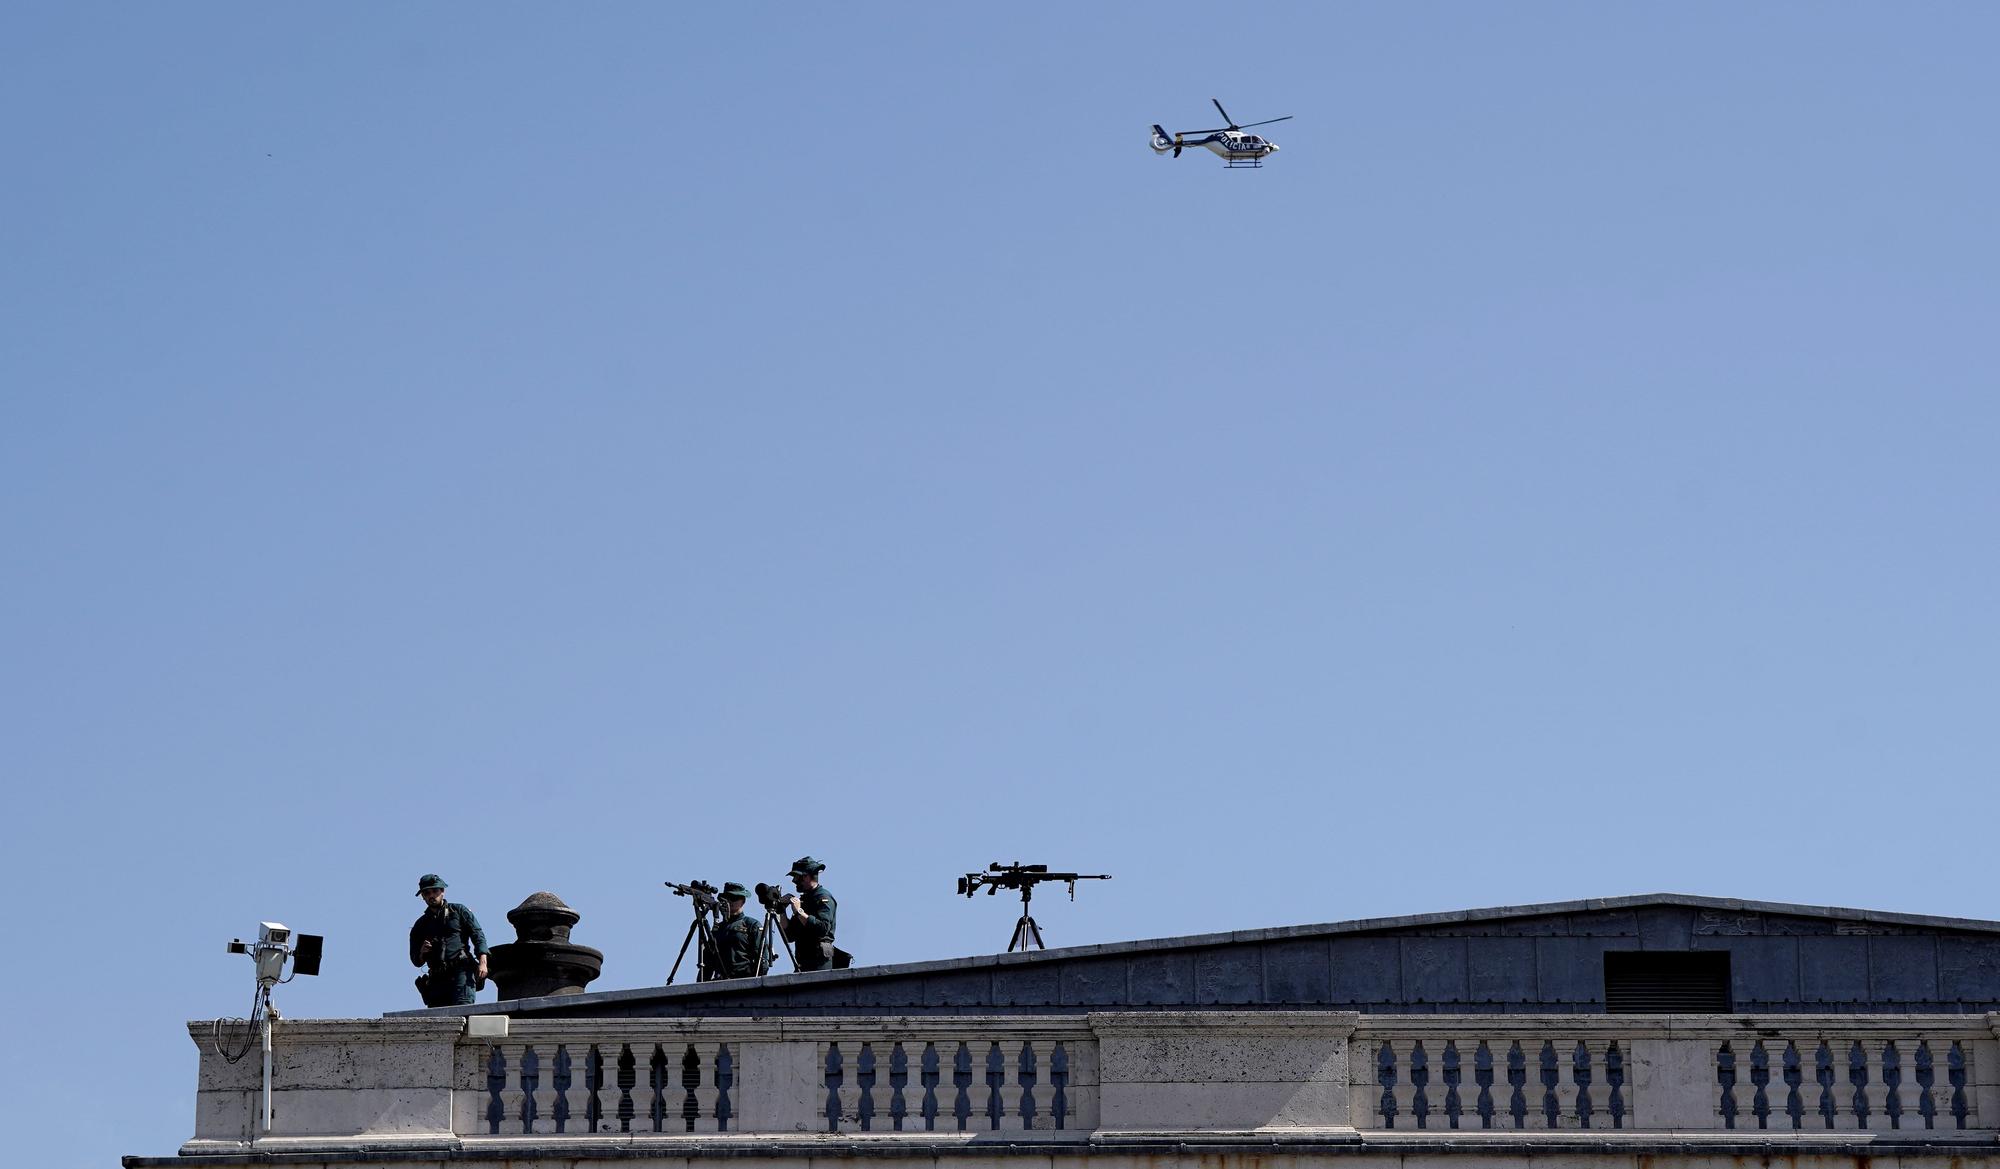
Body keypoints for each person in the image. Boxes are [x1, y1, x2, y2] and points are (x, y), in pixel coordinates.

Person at [408, 873, 489, 1006]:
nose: (431, 895)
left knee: (464, 1010)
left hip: (461, 972)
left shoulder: (458, 911)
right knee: (438, 1019)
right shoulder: (420, 925)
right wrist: (422, 952)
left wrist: (483, 962)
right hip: (437, 978)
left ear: (442, 891)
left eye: (435, 891)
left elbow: (478, 935)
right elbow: (415, 960)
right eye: (427, 893)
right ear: (422, 896)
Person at [781, 856, 838, 971]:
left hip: (819, 964)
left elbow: (822, 928)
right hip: (803, 962)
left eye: (797, 877)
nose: (794, 881)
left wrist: (799, 912)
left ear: (807, 876)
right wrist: (781, 911)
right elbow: (789, 936)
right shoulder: (804, 900)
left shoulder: (823, 897)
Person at [709, 882, 763, 979]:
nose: (730, 902)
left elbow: (762, 960)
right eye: (727, 898)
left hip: (744, 982)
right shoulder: (717, 929)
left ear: (743, 901)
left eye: (734, 898)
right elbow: (708, 962)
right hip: (719, 983)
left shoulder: (751, 925)